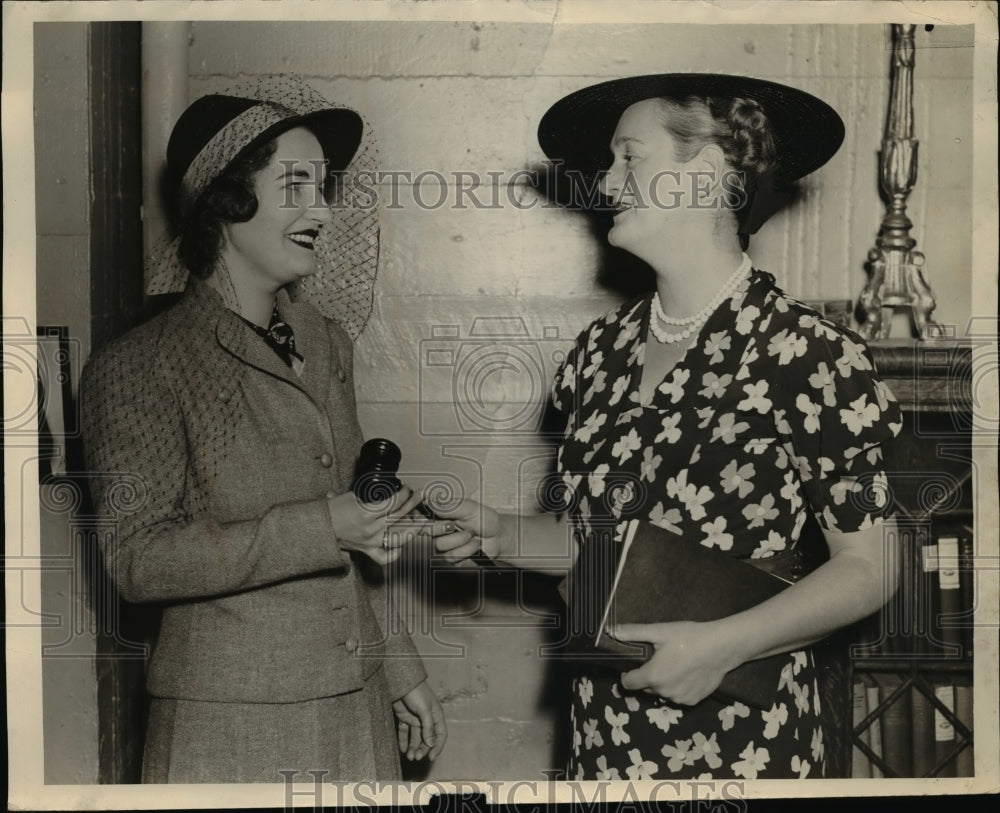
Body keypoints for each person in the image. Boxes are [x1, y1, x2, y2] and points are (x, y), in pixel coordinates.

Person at [432, 74, 902, 780]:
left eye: (630, 157)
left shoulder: (812, 355)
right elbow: (606, 546)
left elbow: (872, 566)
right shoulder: (597, 354)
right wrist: (502, 534)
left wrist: (723, 645)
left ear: (706, 173)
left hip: (745, 742)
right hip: (604, 733)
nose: (606, 180)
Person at [82, 76, 446, 783]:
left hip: (356, 709)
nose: (322, 211)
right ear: (227, 200)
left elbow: (354, 530)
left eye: (324, 188)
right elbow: (137, 561)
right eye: (296, 186)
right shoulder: (139, 366)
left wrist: (401, 670)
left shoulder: (326, 340)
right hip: (229, 726)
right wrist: (322, 525)